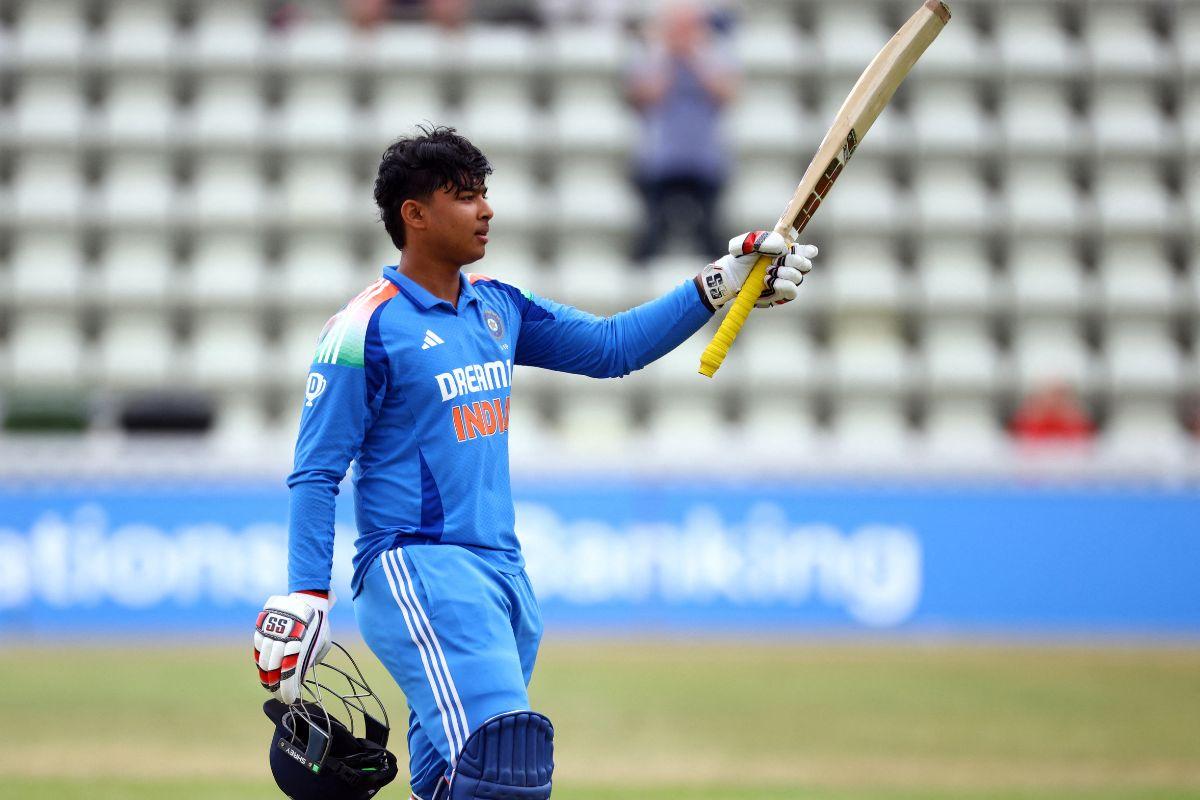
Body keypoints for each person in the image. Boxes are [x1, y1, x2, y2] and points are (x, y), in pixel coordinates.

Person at [253, 126, 817, 800]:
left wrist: (722, 283)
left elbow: (613, 347)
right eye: (465, 197)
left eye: (485, 194)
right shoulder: (362, 329)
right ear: (415, 214)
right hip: (422, 572)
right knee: (506, 773)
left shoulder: (497, 305)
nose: (486, 210)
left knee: (453, 784)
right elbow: (317, 470)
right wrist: (307, 591)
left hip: (503, 581)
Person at [627, 1, 737, 260]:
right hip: (661, 158)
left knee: (710, 231)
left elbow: (725, 93)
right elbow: (644, 95)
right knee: (653, 228)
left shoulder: (715, 57)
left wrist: (695, 57)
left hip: (703, 157)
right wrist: (666, 56)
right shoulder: (650, 57)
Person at [1010, 381, 1096, 443]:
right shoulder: (1027, 423)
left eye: (1058, 396)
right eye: (1049, 396)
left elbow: (1086, 438)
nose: (1053, 401)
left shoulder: (1078, 423)